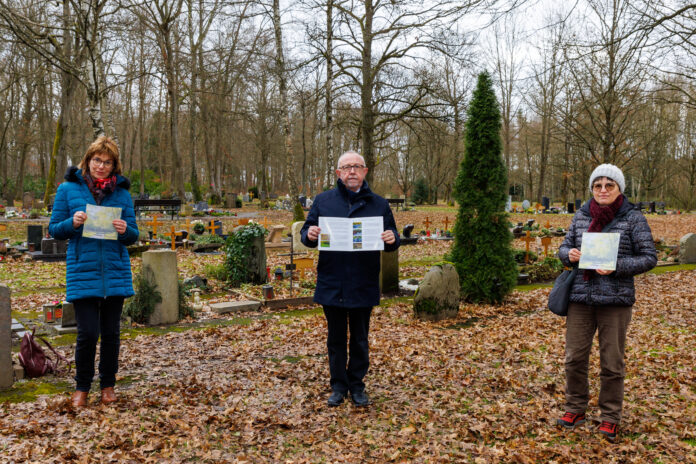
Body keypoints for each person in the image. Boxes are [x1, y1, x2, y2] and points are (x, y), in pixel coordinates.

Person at [556, 164, 656, 442]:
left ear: (619, 189)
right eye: (597, 185)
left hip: (615, 300)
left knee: (612, 363)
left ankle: (610, 416)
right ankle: (575, 408)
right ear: (592, 189)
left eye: (609, 185)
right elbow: (563, 248)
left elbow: (649, 257)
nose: (602, 190)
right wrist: (570, 254)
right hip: (581, 297)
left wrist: (616, 266)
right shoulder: (581, 215)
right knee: (574, 358)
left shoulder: (633, 218)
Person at [301, 151, 400, 407]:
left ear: (365, 171)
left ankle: (357, 385)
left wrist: (392, 239)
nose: (352, 171)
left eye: (357, 166)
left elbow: (392, 237)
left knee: (359, 338)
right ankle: (338, 386)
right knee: (335, 338)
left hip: (363, 281)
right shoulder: (323, 201)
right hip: (332, 280)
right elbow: (307, 233)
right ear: (338, 174)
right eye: (346, 167)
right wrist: (309, 233)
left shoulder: (379, 204)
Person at [49, 136, 139, 407]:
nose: (101, 166)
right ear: (87, 161)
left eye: (107, 162)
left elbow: (134, 234)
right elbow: (54, 229)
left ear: (114, 166)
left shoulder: (122, 194)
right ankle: (82, 386)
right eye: (97, 160)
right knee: (87, 333)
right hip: (83, 270)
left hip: (114, 271)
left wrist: (125, 230)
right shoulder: (67, 189)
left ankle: (108, 386)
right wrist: (72, 223)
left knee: (111, 333)